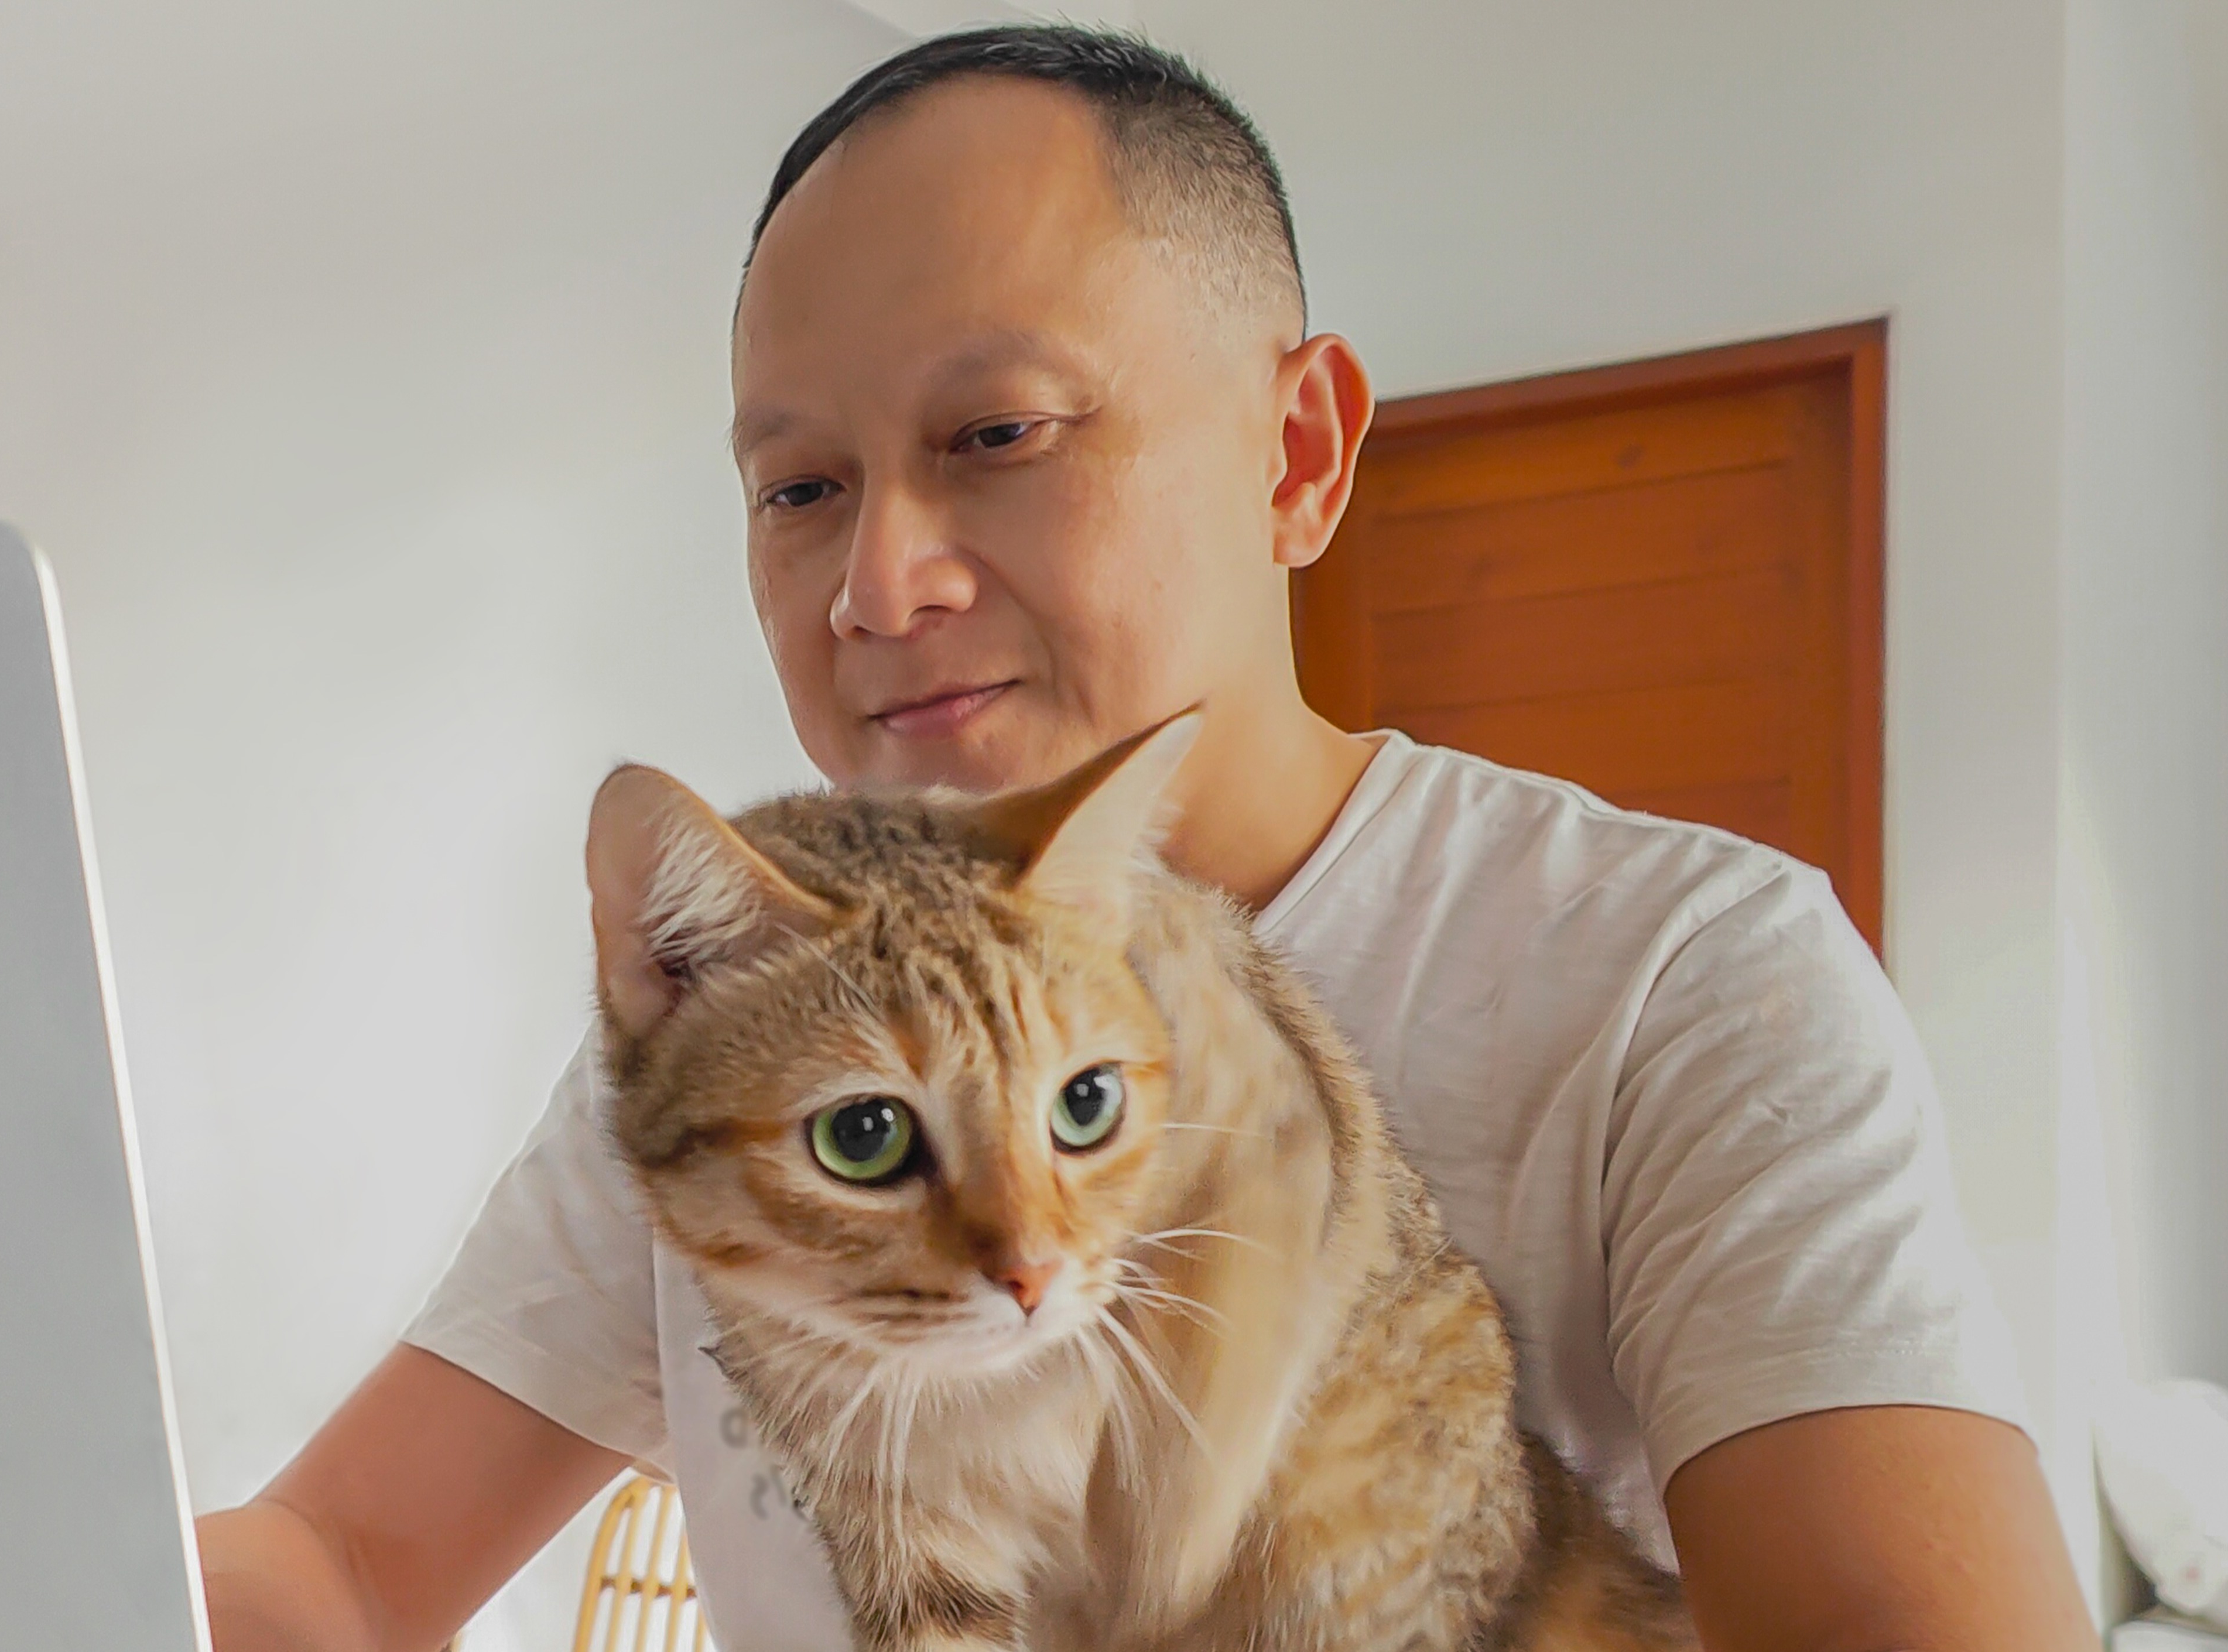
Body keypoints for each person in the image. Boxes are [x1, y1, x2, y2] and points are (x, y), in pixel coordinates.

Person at [195, 25, 2093, 1652]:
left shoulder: (1681, 970)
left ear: (1298, 453)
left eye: (998, 435)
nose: (876, 581)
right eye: (798, 485)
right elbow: (343, 1566)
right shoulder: (763, 1033)